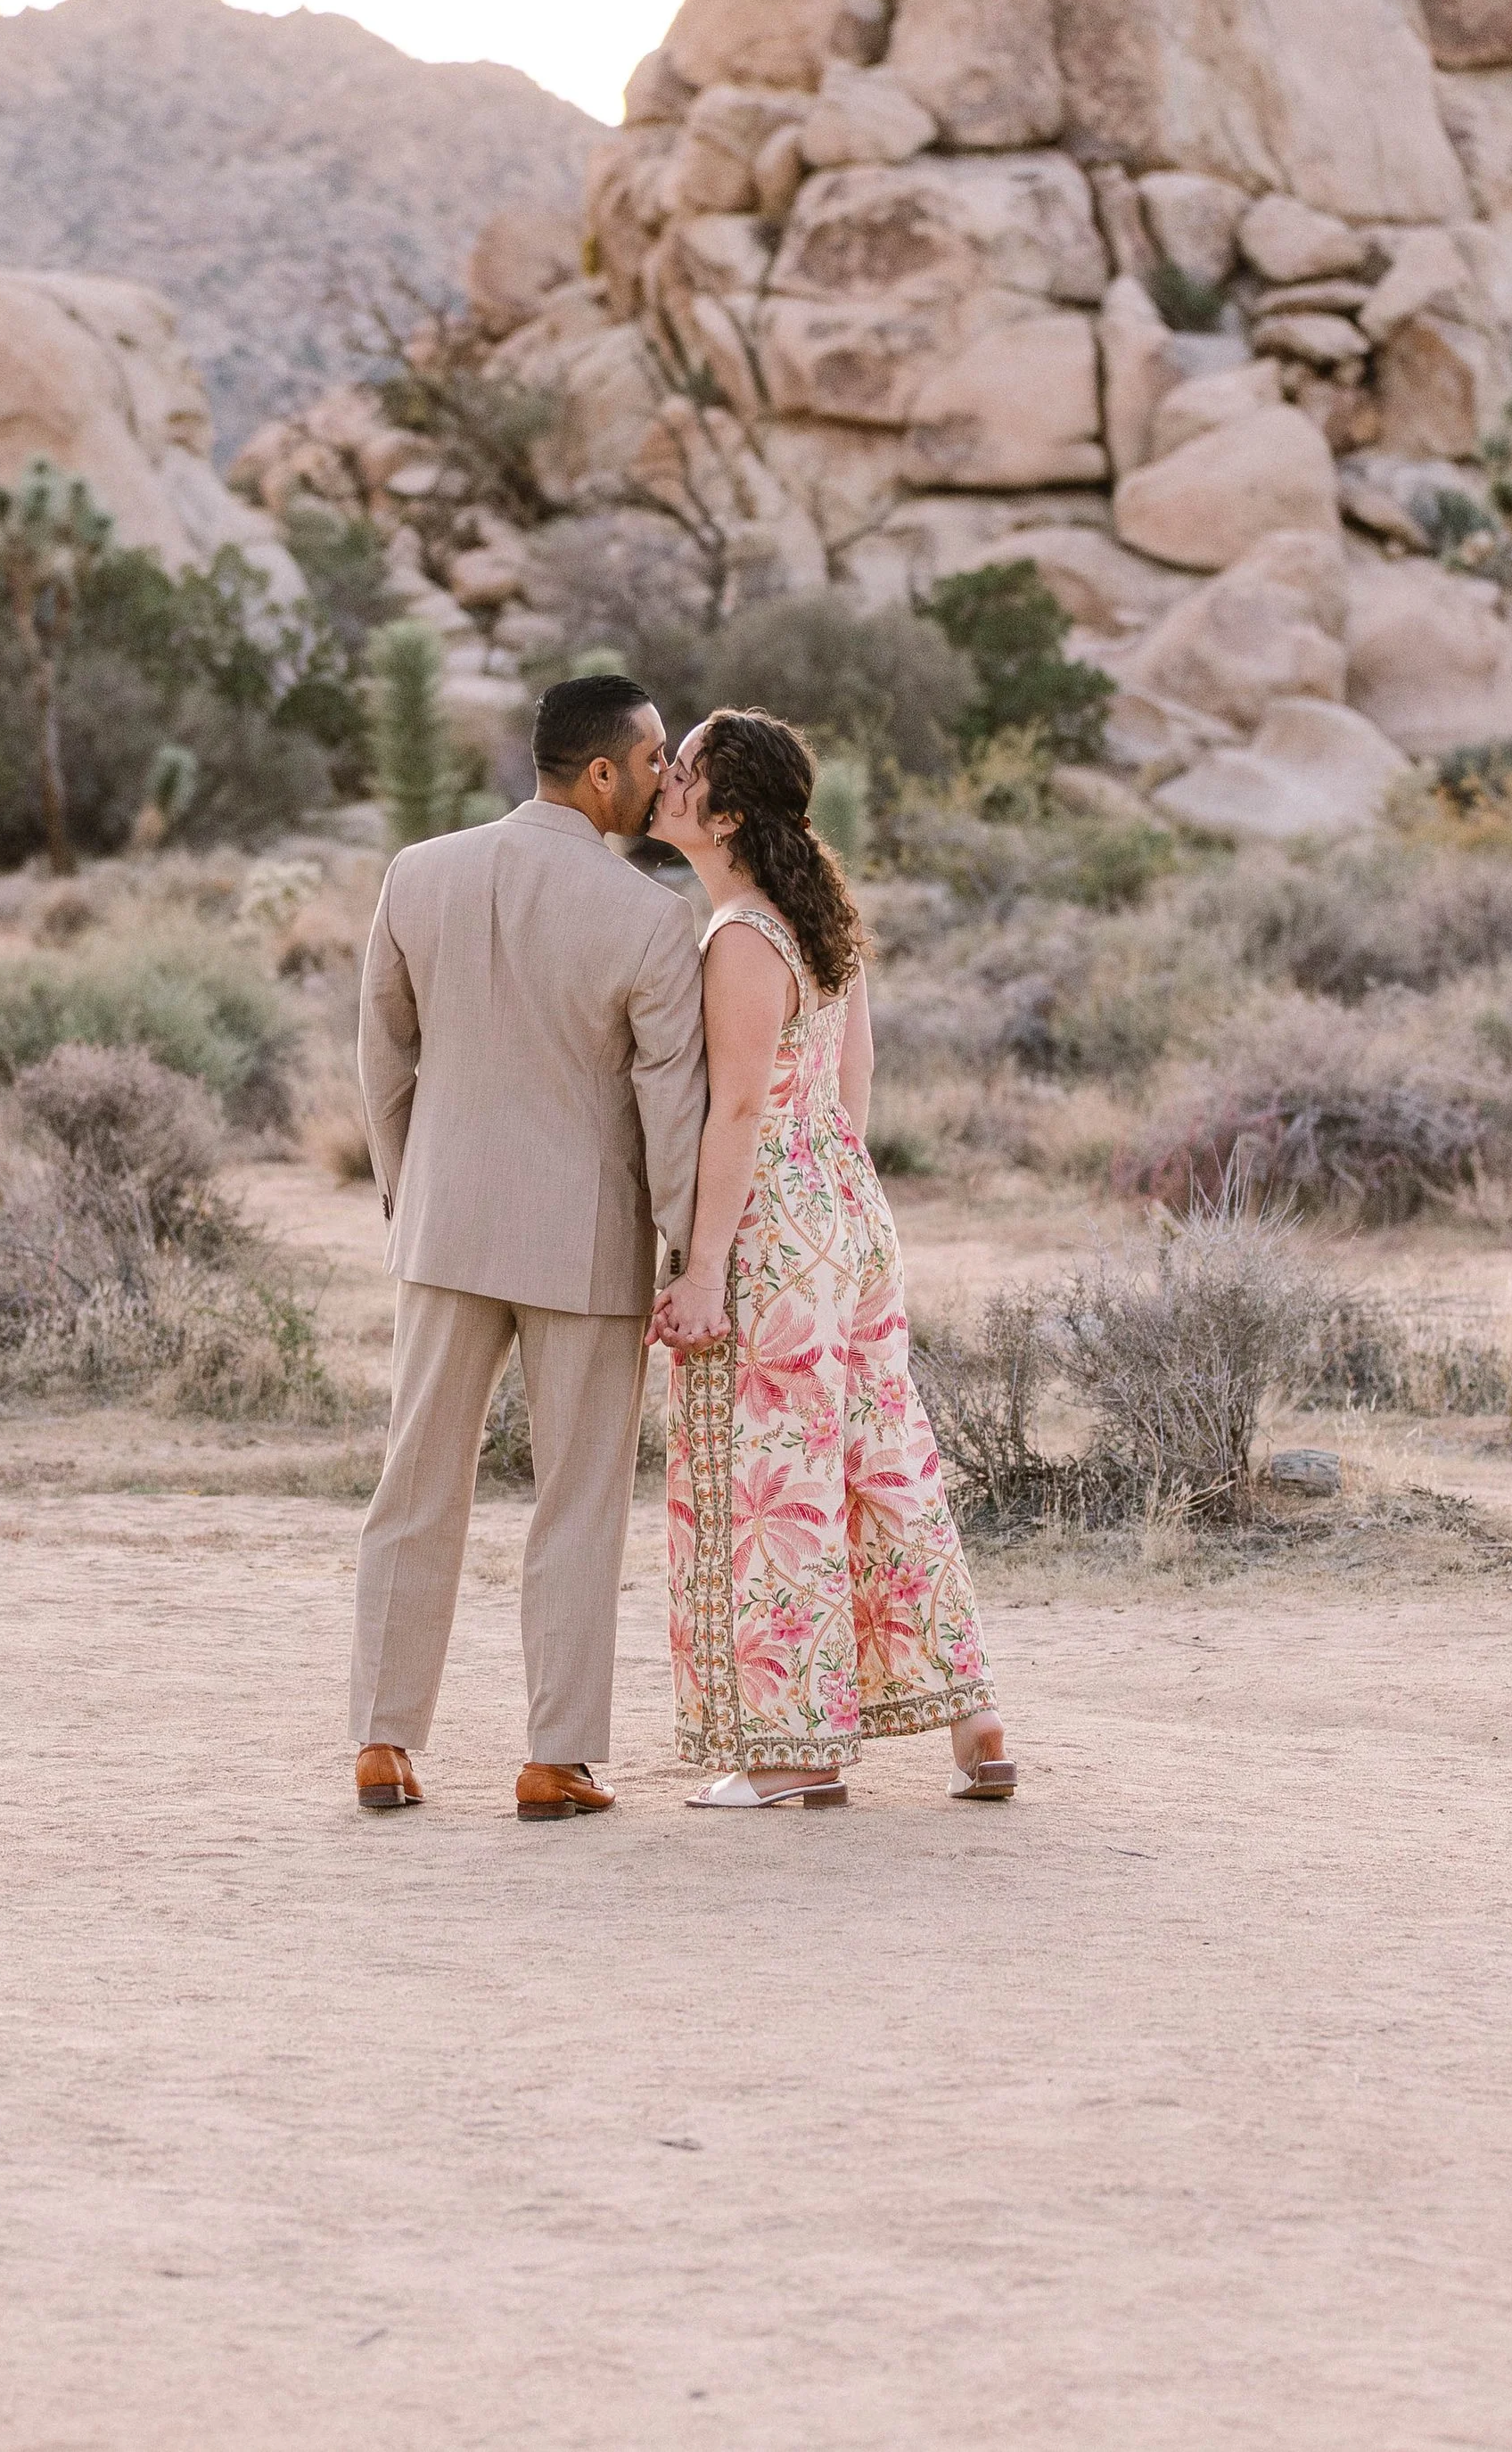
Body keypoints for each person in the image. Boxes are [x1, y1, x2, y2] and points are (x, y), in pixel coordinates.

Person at [350, 672, 707, 1823]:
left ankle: (383, 1742)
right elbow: (671, 1111)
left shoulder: (420, 872)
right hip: (586, 1247)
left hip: (446, 1227)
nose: (665, 777)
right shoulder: (652, 918)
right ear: (600, 773)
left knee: (415, 1485)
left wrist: (412, 1190)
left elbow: (382, 1059)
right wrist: (691, 1248)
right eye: (654, 758)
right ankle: (555, 1759)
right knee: (578, 1501)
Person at [648, 707, 1015, 1811]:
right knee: (880, 1463)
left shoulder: (741, 938)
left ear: (726, 813)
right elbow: (848, 1088)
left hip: (770, 1228)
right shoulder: (823, 925)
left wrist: (704, 1268)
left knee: (774, 1482)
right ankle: (975, 1720)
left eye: (686, 771)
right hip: (846, 1211)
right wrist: (834, 1200)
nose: (664, 780)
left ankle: (790, 1749)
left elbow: (741, 1108)